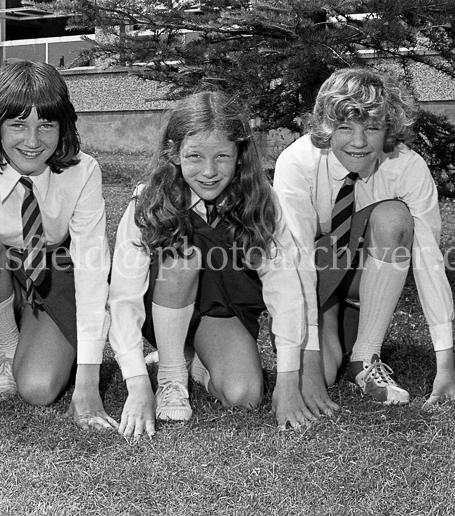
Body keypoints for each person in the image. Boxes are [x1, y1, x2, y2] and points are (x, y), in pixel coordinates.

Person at [108, 91, 335, 434]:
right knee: (182, 256)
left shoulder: (262, 202)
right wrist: (138, 385)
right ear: (174, 153)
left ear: (240, 155)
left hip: (222, 311)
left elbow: (285, 289)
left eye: (222, 157)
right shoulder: (149, 202)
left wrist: (288, 381)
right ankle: (170, 375)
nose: (209, 171)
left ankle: (194, 362)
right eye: (195, 156)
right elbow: (123, 298)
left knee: (244, 395)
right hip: (165, 302)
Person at [272, 68, 455, 407]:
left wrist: (445, 366)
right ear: (327, 127)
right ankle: (331, 334)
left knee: (393, 217)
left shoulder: (407, 167)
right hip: (312, 280)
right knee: (322, 373)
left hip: (362, 278)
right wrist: (309, 368)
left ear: (388, 128)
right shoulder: (297, 163)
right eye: (345, 127)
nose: (358, 142)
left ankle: (366, 355)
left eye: (371, 128)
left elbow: (428, 259)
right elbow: (294, 261)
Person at [0, 60, 115, 430]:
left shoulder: (83, 171)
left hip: (57, 277)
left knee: (38, 389)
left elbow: (93, 269)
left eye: (46, 125)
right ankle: (8, 347)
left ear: (62, 125)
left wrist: (88, 382)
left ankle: (34, 350)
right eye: (18, 124)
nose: (32, 142)